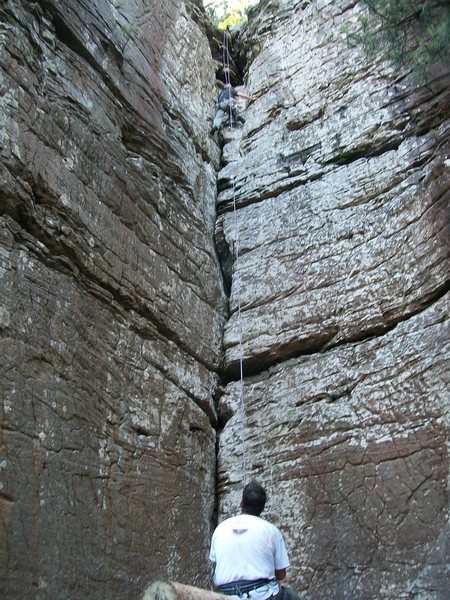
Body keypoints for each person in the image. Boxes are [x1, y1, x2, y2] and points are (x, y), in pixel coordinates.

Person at [209, 481, 303, 599]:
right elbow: (281, 574)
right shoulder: (271, 530)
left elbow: (216, 565)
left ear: (241, 503)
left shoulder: (220, 529)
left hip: (227, 595)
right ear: (262, 508)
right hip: (261, 595)